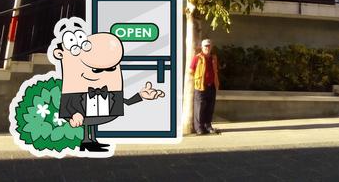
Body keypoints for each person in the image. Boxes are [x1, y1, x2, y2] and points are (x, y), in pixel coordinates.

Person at [53, 18, 165, 154]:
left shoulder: (110, 92)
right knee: (88, 122)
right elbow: (68, 105)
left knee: (92, 123)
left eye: (111, 68)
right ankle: (86, 141)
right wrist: (73, 114)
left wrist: (140, 96)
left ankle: (91, 141)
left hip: (99, 111)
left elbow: (126, 102)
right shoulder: (73, 91)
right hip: (83, 114)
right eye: (96, 70)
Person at [189, 38, 221, 135]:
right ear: (202, 47)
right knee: (200, 107)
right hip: (200, 86)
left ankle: (208, 126)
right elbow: (191, 71)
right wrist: (198, 79)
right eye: (205, 46)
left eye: (209, 45)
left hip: (211, 86)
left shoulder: (213, 58)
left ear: (211, 47)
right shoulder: (197, 58)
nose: (207, 47)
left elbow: (216, 71)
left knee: (210, 107)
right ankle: (199, 128)